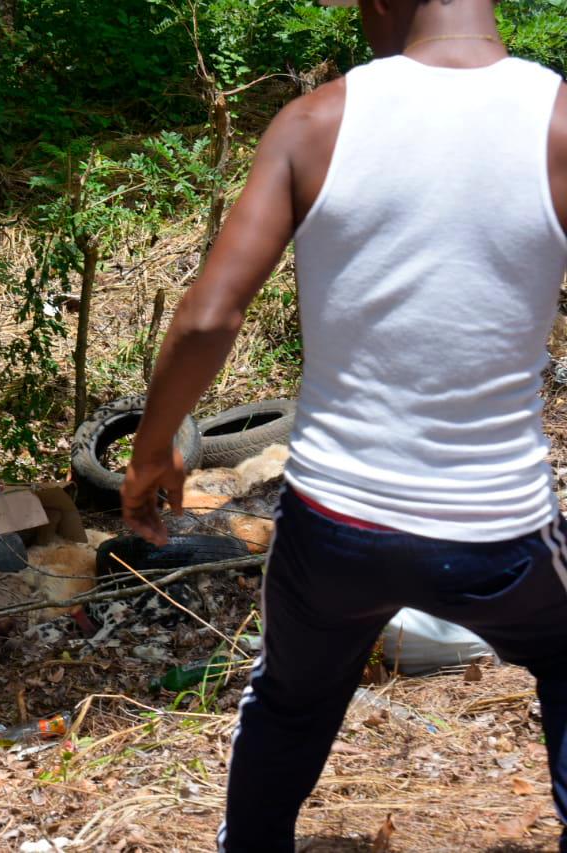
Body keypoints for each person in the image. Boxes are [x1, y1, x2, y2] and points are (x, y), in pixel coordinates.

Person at [119, 0, 567, 848]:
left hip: (334, 523)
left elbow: (210, 318)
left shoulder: (315, 120)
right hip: (498, 529)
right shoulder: (558, 121)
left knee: (289, 698)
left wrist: (151, 454)